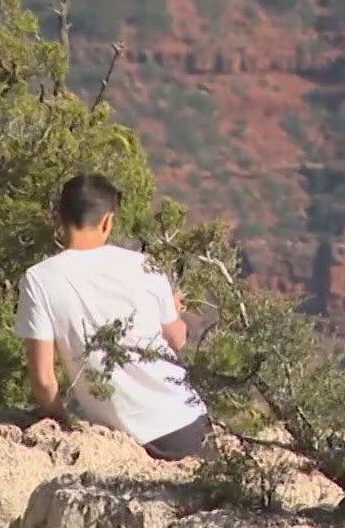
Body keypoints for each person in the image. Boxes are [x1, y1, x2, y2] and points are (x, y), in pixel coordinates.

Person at [12, 173, 210, 461]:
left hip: (119, 440)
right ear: (108, 221)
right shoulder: (144, 265)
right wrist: (172, 309)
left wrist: (60, 422)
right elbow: (176, 340)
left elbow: (43, 379)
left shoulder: (39, 279)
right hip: (185, 423)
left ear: (57, 217)